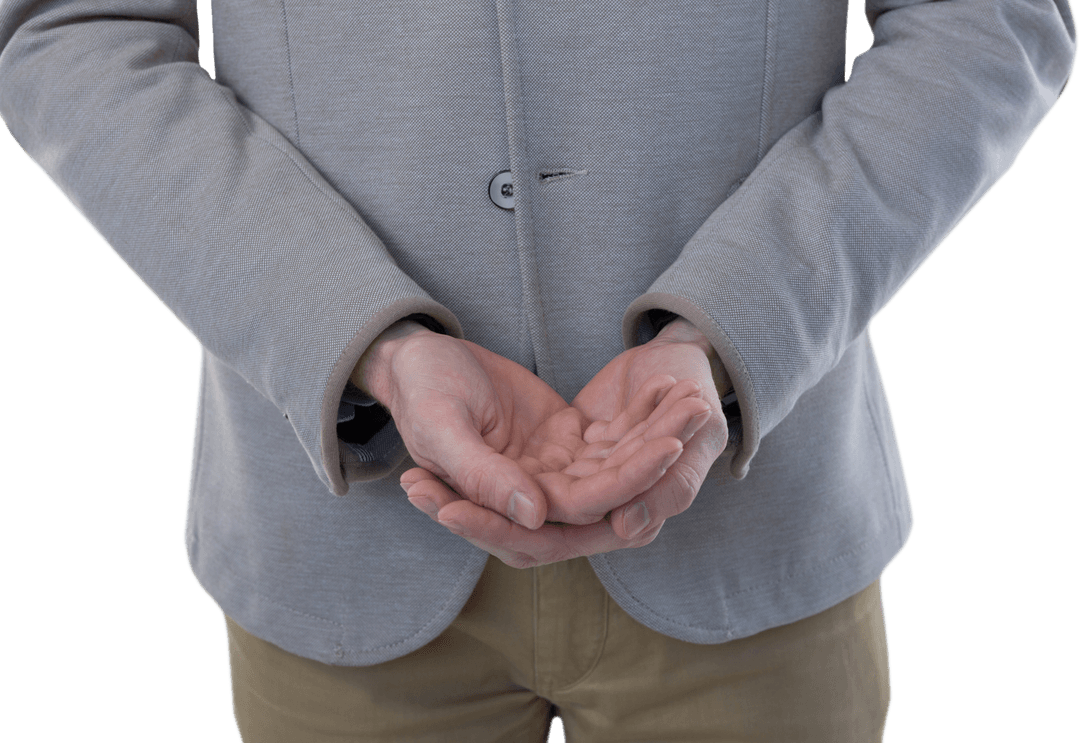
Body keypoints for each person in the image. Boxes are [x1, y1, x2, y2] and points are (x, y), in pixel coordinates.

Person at [0, 0, 1074, 741]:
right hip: (337, 542)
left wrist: (737, 322)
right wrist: (355, 334)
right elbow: (74, 28)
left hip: (757, 523)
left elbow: (990, 17)